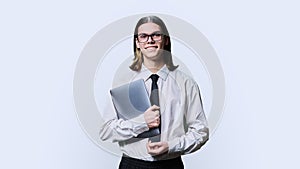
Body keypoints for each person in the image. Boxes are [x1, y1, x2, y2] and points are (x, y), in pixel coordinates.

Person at [99, 15, 209, 169]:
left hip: (170, 165)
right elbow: (107, 131)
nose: (149, 40)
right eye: (143, 36)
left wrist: (171, 146)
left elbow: (200, 131)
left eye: (156, 35)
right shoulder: (123, 82)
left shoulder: (186, 84)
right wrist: (141, 123)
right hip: (132, 164)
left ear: (166, 40)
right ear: (137, 43)